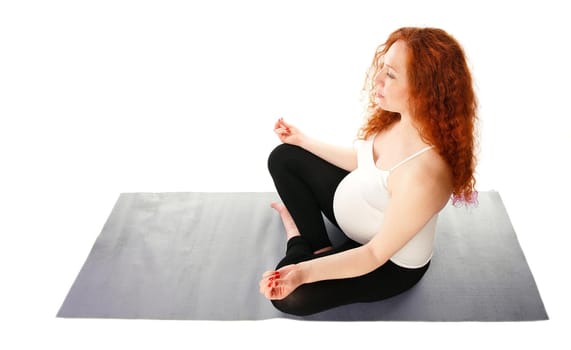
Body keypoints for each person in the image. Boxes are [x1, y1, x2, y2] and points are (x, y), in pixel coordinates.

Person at [259, 27, 478, 316]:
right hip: (359, 210)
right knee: (286, 157)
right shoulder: (402, 118)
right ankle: (322, 249)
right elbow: (365, 161)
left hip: (385, 262)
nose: (377, 78)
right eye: (383, 68)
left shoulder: (425, 176)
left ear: (425, 89)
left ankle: (298, 241)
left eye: (391, 74)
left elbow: (374, 253)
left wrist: (301, 272)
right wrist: (304, 141)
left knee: (290, 296)